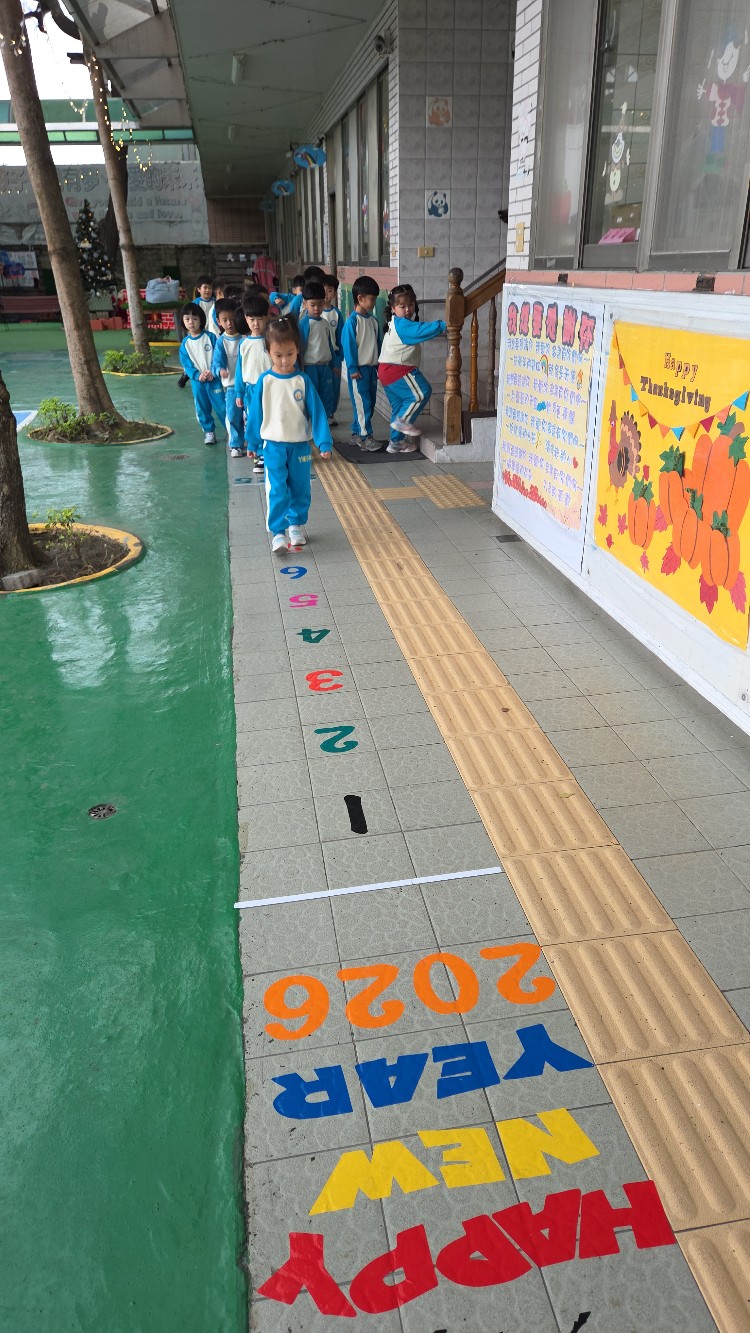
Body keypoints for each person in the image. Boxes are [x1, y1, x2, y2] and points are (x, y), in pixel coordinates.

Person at [246, 316, 332, 553]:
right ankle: (278, 532)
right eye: (278, 355)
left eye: (290, 354)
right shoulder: (265, 381)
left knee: (300, 488)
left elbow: (317, 412)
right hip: (273, 446)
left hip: (300, 446)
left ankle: (295, 525)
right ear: (268, 352)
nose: (284, 360)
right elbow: (255, 414)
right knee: (276, 489)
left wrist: (324, 442)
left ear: (298, 350)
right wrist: (252, 442)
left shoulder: (303, 381)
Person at [378, 284, 446, 453]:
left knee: (399, 406)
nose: (408, 309)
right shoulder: (403, 325)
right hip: (397, 369)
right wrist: (444, 325)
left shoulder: (395, 323)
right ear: (393, 309)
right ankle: (402, 422)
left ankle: (395, 442)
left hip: (386, 371)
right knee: (421, 392)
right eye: (402, 306)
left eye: (410, 304)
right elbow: (421, 330)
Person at [341, 274, 381, 450]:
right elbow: (348, 346)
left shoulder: (373, 321)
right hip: (358, 372)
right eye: (372, 299)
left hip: (371, 370)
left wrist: (379, 366)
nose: (374, 303)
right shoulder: (352, 322)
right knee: (363, 404)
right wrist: (352, 368)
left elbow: (377, 345)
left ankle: (356, 433)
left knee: (369, 403)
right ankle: (366, 437)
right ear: (360, 298)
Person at [178, 302, 225, 444]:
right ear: (183, 321)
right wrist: (198, 375)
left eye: (194, 318)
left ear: (201, 320)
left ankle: (232, 431)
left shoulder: (211, 337)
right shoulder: (185, 344)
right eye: (187, 319)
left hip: (214, 379)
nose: (191, 322)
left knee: (222, 406)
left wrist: (212, 371)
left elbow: (218, 356)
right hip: (198, 382)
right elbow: (187, 365)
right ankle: (209, 432)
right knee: (202, 407)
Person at [236, 295, 271, 473]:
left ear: (266, 317)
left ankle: (269, 452)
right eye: (251, 319)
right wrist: (239, 393)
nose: (256, 324)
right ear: (246, 319)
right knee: (253, 421)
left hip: (270, 389)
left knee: (269, 420)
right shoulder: (243, 344)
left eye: (259, 319)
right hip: (251, 390)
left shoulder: (271, 341)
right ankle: (258, 453)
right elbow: (239, 371)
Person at [298, 280, 336, 423]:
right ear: (305, 304)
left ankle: (323, 426)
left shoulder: (325, 323)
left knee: (327, 397)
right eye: (312, 305)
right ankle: (311, 427)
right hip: (310, 368)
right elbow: (300, 348)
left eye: (320, 304)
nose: (316, 308)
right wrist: (299, 369)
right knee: (311, 398)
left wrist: (334, 365)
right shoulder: (304, 323)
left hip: (325, 367)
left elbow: (329, 345)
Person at [212, 298, 245, 457]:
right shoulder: (221, 342)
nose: (230, 323)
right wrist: (220, 370)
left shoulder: (245, 338)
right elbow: (216, 362)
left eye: (232, 319)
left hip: (247, 385)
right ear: (218, 321)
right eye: (225, 320)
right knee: (233, 415)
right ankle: (236, 444)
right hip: (231, 386)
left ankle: (254, 444)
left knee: (251, 415)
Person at [322, 273, 343, 425]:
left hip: (334, 356)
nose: (325, 294)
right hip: (320, 356)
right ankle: (323, 414)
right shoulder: (314, 312)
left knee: (335, 387)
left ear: (334, 293)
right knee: (324, 387)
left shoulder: (336, 314)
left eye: (329, 290)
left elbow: (341, 338)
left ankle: (331, 414)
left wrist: (339, 359)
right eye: (323, 290)